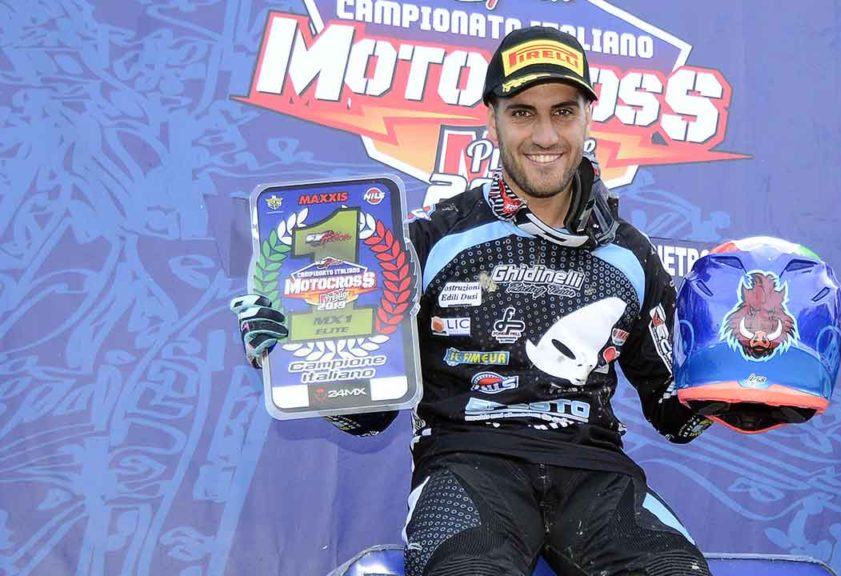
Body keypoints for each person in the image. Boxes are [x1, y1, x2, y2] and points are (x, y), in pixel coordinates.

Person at [233, 26, 714, 576]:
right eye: (522, 113)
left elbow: (672, 414)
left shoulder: (630, 252)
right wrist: (294, 355)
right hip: (467, 468)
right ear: (491, 120)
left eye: (563, 112)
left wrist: (734, 385)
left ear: (588, 117)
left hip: (597, 475)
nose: (545, 135)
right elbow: (370, 417)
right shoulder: (428, 239)